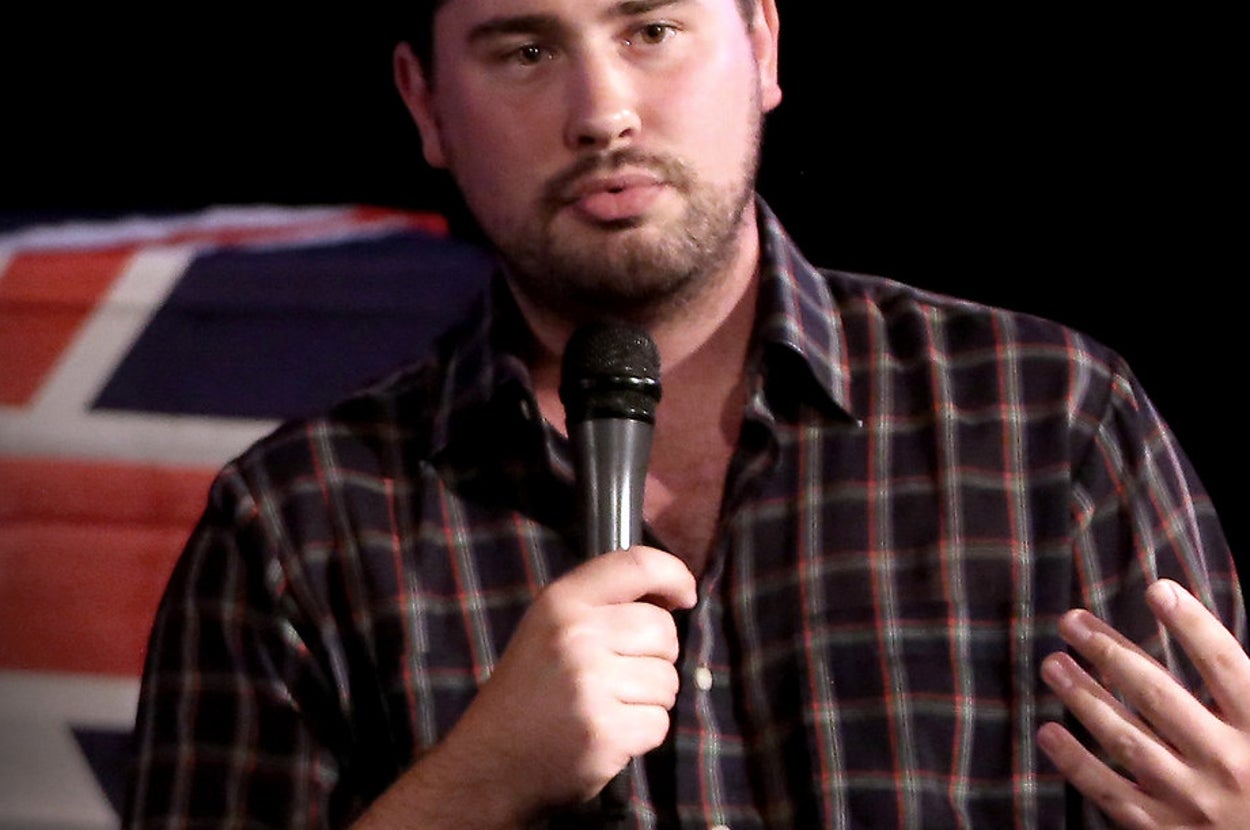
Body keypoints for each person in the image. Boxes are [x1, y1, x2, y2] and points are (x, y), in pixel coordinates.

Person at [125, 0, 1249, 827]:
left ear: (762, 45)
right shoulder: (295, 526)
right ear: (425, 103)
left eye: (651, 30)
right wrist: (475, 786)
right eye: (525, 51)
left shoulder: (1046, 419)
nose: (602, 114)